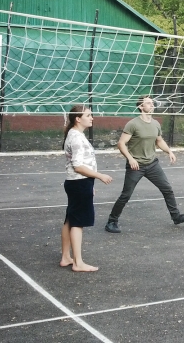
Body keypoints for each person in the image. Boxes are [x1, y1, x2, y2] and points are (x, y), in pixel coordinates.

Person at [104, 95, 184, 233]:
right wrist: (130, 159)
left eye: (152, 103)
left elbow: (159, 141)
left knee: (167, 189)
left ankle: (176, 217)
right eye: (148, 103)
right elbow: (121, 143)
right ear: (141, 107)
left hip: (152, 164)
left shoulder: (155, 123)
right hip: (136, 166)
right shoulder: (133, 124)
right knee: (126, 195)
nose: (152, 105)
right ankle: (111, 222)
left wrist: (169, 151)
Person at [61, 105, 113, 272]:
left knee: (70, 219)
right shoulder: (76, 137)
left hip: (78, 183)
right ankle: (78, 263)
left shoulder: (74, 134)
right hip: (79, 183)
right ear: (78, 119)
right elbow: (78, 166)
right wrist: (99, 176)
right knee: (78, 222)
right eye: (88, 115)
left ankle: (66, 257)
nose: (92, 118)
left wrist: (91, 184)